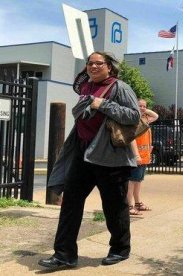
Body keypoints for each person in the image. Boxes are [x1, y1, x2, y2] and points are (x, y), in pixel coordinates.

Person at [38, 51, 140, 269]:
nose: (93, 67)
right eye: (90, 63)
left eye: (99, 63)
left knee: (114, 207)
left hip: (110, 157)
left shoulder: (119, 87)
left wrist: (102, 104)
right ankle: (64, 254)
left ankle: (120, 249)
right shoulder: (86, 88)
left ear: (109, 67)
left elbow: (133, 116)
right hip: (83, 154)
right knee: (71, 203)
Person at [128, 99, 158, 216]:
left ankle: (137, 203)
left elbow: (156, 116)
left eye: (144, 106)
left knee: (138, 181)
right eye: (139, 105)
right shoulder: (133, 121)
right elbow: (132, 139)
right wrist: (136, 155)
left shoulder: (145, 120)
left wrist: (145, 110)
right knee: (131, 181)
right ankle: (129, 205)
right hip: (136, 157)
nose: (142, 107)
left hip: (144, 156)